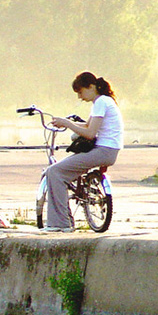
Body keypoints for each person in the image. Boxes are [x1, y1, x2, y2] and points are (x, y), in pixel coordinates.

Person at [44, 72, 123, 232]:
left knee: (55, 172)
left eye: (80, 92)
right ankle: (64, 220)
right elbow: (87, 126)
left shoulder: (101, 102)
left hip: (103, 151)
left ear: (91, 87)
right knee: (62, 171)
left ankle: (61, 223)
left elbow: (90, 133)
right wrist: (69, 125)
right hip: (108, 150)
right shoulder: (104, 101)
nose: (80, 97)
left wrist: (66, 123)